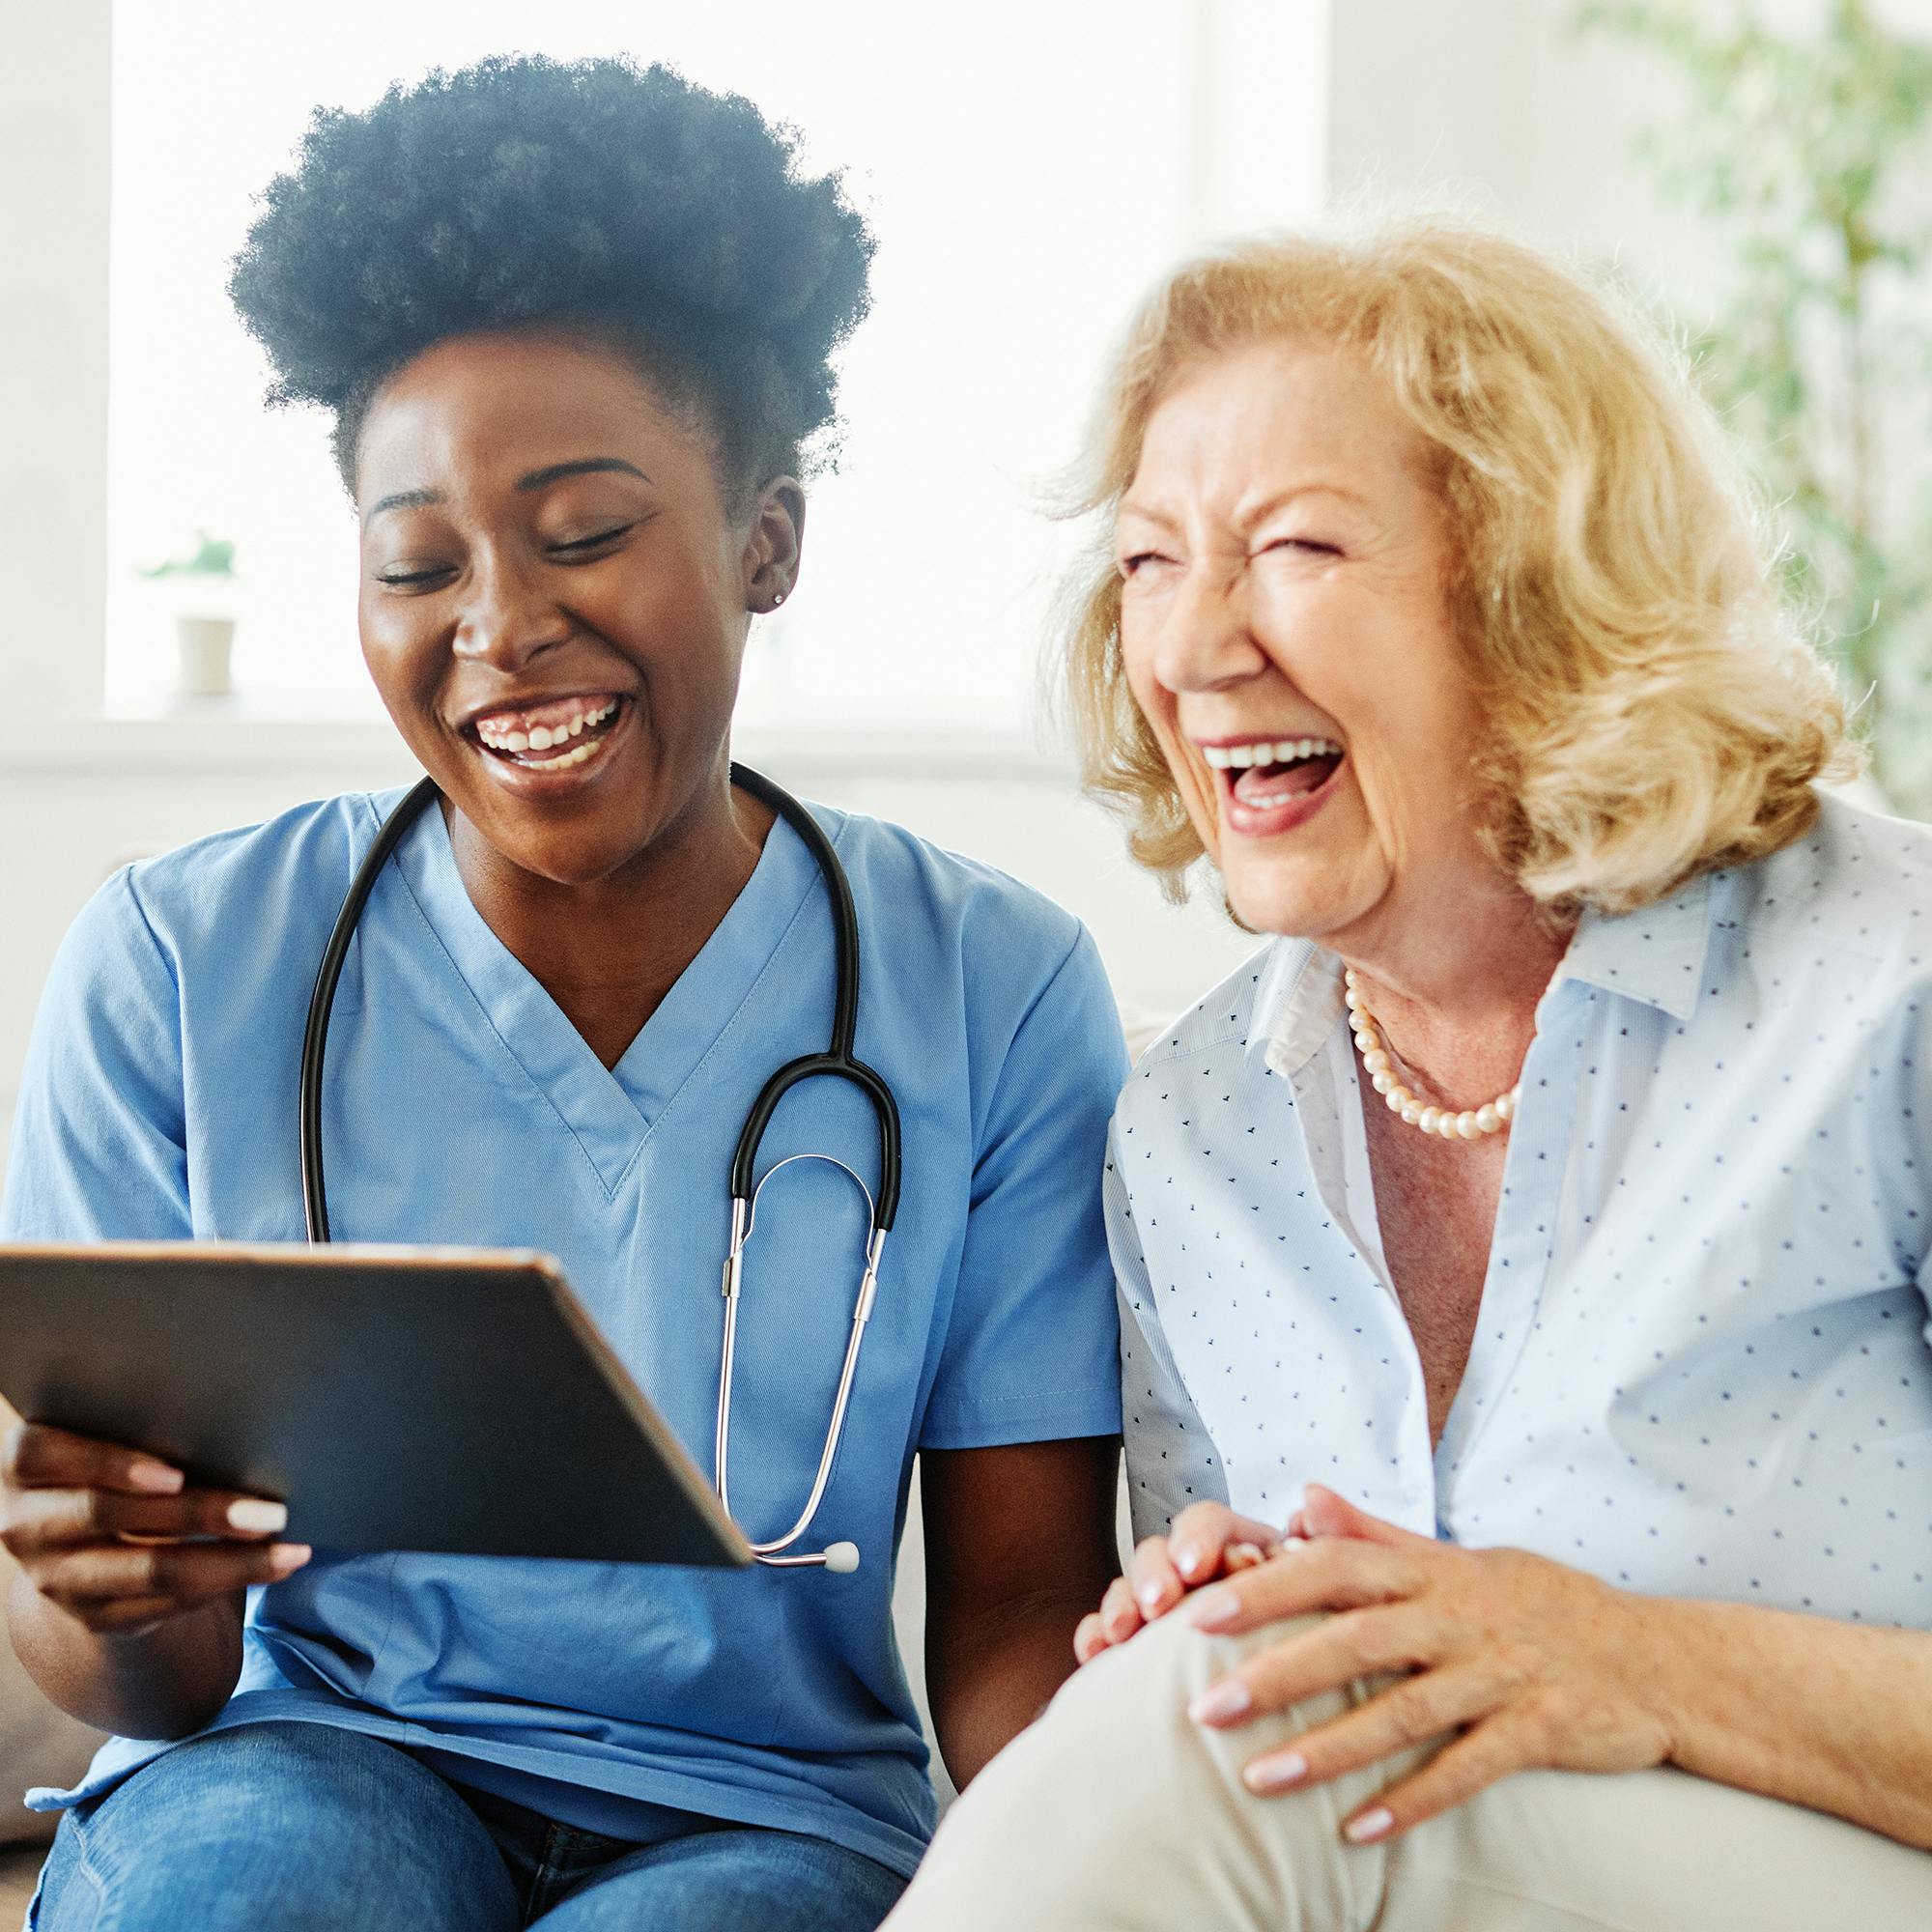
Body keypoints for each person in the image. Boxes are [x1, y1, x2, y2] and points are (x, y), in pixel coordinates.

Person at [0, 57, 1125, 1932]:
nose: (498, 624)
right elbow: (155, 1670)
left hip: (772, 1822)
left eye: (584, 531)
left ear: (765, 538)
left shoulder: (992, 986)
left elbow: (1019, 1611)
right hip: (304, 1751)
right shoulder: (182, 960)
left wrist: (1118, 1856)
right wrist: (87, 1591)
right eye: (414, 561)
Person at [882, 217, 1932, 1930]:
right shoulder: (1198, 1126)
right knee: (1223, 1704)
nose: (1197, 646)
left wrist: (1621, 1658)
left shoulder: (1890, 988)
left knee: (1233, 1758)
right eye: (1150, 562)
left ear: (1538, 594)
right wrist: (1219, 1612)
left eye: (1294, 546)